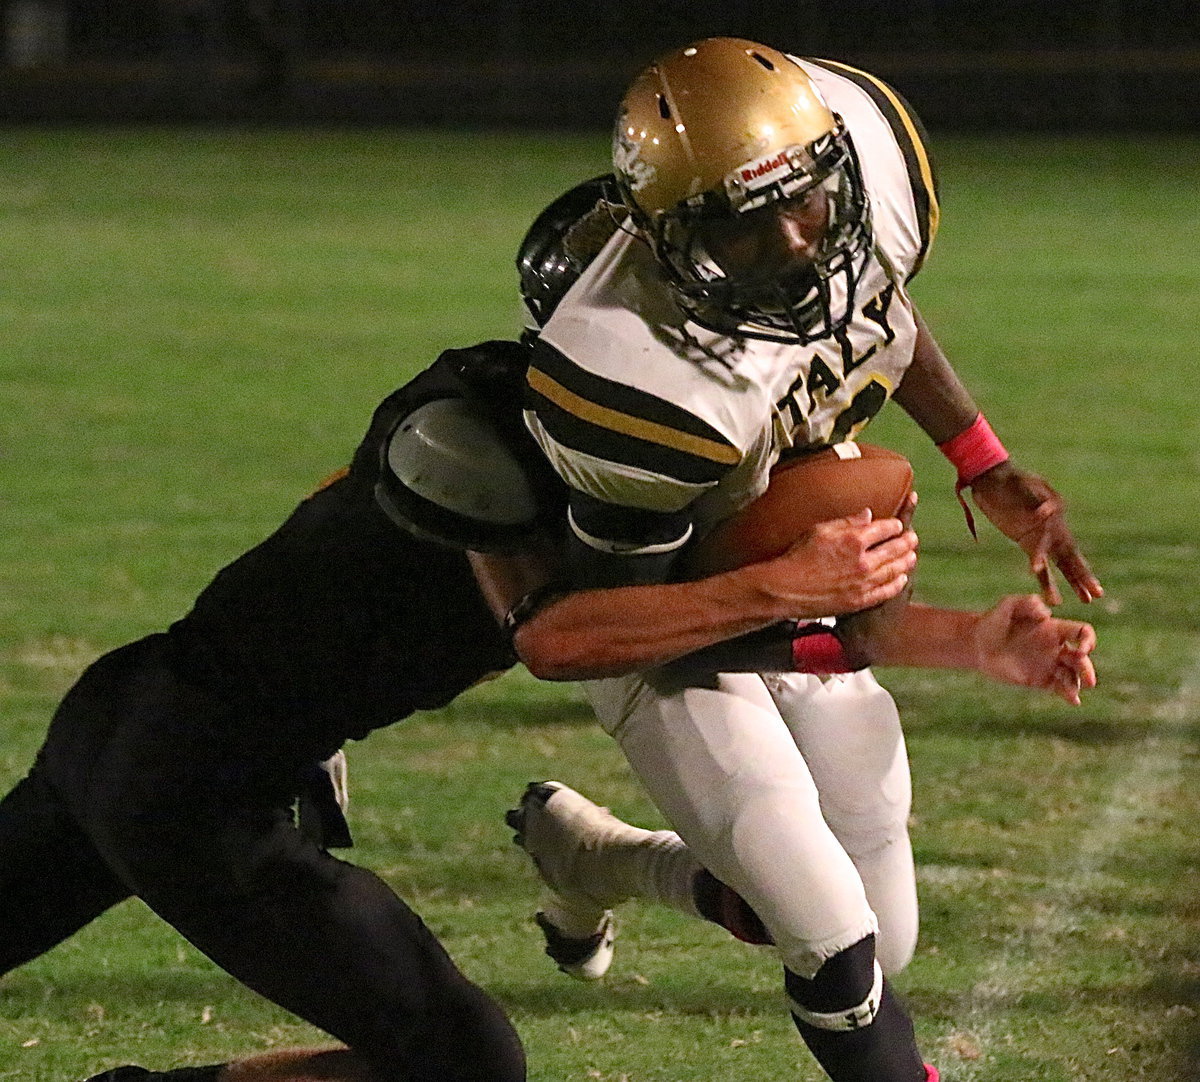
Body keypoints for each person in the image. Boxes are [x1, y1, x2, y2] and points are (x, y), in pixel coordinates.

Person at [0, 338, 922, 1082]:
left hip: (129, 720)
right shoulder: (497, 472)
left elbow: (661, 631)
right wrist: (777, 585)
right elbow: (557, 639)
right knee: (464, 1063)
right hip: (187, 792)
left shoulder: (566, 452)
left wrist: (956, 638)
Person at [509, 36, 1104, 1082]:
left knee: (883, 928)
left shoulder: (868, 173)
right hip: (652, 618)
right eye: (744, 230)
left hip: (780, 572)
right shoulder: (638, 380)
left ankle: (598, 856)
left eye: (808, 206)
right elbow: (594, 632)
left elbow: (879, 315)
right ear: (670, 245)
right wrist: (794, 589)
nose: (795, 245)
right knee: (832, 933)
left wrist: (983, 462)